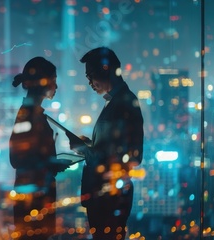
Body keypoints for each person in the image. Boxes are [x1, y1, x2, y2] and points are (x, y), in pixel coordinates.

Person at [69, 47, 144, 240]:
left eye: (90, 75)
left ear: (105, 69)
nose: (89, 83)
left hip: (109, 199)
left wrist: (84, 149)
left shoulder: (123, 103)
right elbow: (112, 149)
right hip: (106, 197)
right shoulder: (116, 102)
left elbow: (126, 156)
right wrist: (90, 146)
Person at [9, 56, 68, 240]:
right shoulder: (29, 115)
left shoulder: (31, 113)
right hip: (33, 202)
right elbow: (17, 158)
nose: (56, 87)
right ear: (43, 83)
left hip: (35, 199)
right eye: (54, 81)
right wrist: (51, 163)